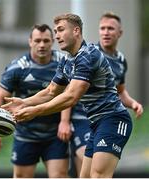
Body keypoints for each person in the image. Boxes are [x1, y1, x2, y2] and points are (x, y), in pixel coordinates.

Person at [2, 13, 133, 178]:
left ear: (76, 31)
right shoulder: (66, 61)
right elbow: (51, 91)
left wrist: (35, 111)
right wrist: (24, 103)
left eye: (61, 30)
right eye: (56, 31)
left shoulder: (88, 55)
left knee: (98, 175)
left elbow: (71, 97)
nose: (57, 35)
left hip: (113, 119)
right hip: (96, 123)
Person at [0, 24, 70, 178]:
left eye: (46, 41)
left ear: (52, 41)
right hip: (25, 134)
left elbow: (67, 94)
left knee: (59, 176)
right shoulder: (17, 67)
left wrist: (64, 121)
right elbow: (0, 97)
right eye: (37, 40)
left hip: (54, 135)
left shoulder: (63, 62)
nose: (42, 45)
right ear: (30, 41)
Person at [67, 11, 144, 177]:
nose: (106, 32)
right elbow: (69, 92)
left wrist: (133, 103)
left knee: (95, 172)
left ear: (120, 33)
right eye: (102, 28)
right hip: (82, 119)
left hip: (106, 119)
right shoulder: (90, 54)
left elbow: (120, 92)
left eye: (110, 28)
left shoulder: (121, 60)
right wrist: (64, 121)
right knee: (93, 170)